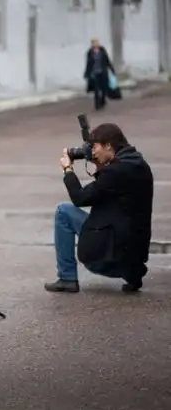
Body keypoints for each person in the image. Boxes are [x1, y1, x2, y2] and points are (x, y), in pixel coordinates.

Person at [45, 123, 154, 293]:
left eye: (95, 147)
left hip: (109, 257)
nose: (93, 152)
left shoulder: (115, 172)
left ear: (108, 146)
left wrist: (68, 170)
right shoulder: (138, 164)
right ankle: (132, 274)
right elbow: (109, 192)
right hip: (135, 253)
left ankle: (67, 278)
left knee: (63, 211)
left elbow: (80, 198)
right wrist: (101, 165)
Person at [84, 38, 115, 111]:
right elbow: (88, 64)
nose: (95, 44)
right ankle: (97, 105)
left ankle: (103, 101)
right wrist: (87, 73)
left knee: (104, 88)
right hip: (95, 73)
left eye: (96, 42)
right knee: (96, 90)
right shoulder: (90, 52)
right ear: (92, 44)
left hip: (103, 72)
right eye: (94, 43)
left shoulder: (102, 50)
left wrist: (112, 69)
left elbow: (107, 60)